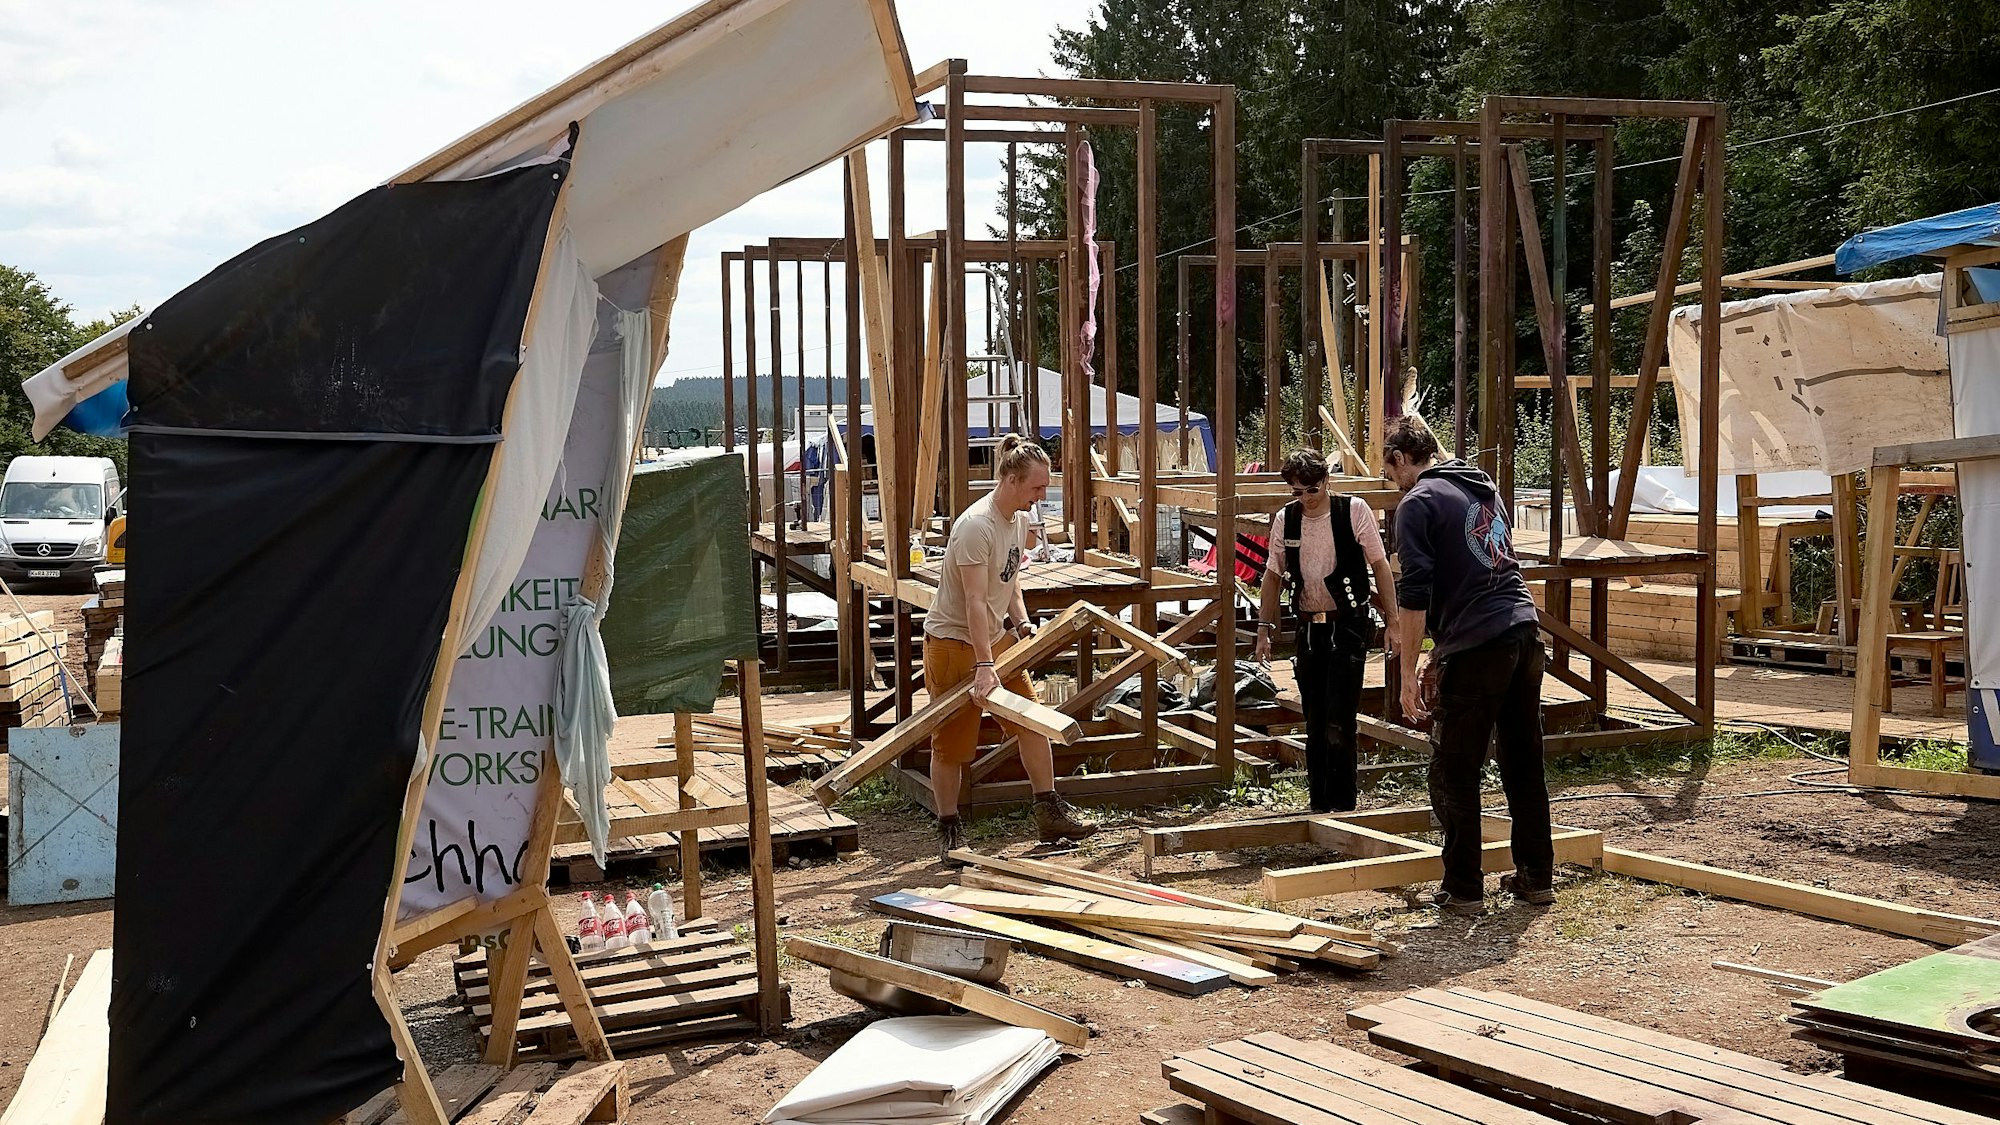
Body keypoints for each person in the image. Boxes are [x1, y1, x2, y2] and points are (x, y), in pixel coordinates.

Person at [1383, 412, 1555, 915]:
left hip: (1480, 647)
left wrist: (1406, 671)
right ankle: (1536, 876)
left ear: (1400, 460)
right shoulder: (1482, 488)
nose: (1392, 483)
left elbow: (1414, 594)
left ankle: (1463, 889)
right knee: (1523, 764)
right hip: (1522, 633)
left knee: (1455, 769)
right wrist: (1441, 652)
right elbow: (1475, 575)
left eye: (1390, 472)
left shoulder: (1417, 503)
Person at [924, 434, 1096, 864]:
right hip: (954, 644)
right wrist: (985, 664)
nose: (1042, 496)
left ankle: (1049, 809)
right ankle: (948, 828)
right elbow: (974, 602)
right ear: (1013, 481)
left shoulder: (1018, 520)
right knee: (952, 743)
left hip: (994, 640)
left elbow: (1009, 578)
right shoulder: (974, 527)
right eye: (1037, 488)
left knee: (1032, 722)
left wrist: (1020, 622)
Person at [1253, 448, 1397, 813]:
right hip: (1309, 628)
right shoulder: (1286, 520)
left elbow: (1380, 566)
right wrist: (1263, 629)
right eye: (1297, 492)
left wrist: (1394, 622)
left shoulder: (1353, 510)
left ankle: (1344, 805)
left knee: (1339, 719)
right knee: (1315, 720)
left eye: (1311, 490)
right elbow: (1272, 575)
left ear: (1326, 482)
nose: (1305, 499)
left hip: (1347, 625)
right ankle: (1318, 805)